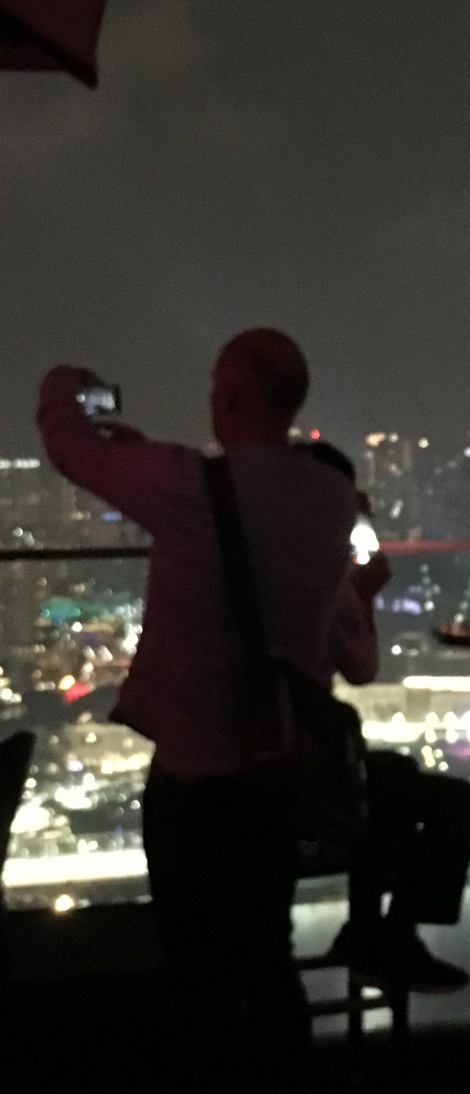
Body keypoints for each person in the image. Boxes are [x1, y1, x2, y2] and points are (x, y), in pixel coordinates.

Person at [37, 330, 358, 1090]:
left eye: (217, 385)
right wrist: (155, 461)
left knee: (196, 976)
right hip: (279, 775)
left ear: (234, 395)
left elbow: (72, 451)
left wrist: (62, 381)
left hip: (197, 779)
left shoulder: (187, 489)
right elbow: (242, 506)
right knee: (268, 958)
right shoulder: (330, 494)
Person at [307, 440, 470, 993]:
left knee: (389, 778)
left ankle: (372, 933)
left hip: (281, 766)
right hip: (304, 779)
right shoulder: (317, 578)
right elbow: (361, 669)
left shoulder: (265, 561)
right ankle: (390, 933)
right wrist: (359, 593)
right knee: (447, 800)